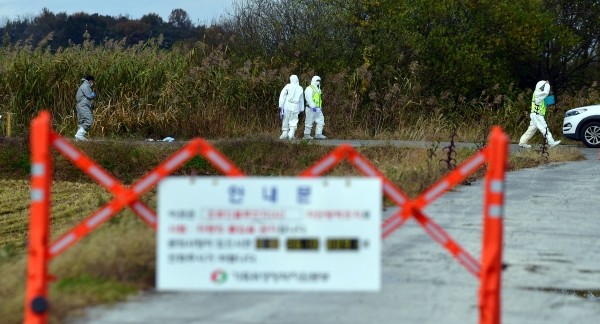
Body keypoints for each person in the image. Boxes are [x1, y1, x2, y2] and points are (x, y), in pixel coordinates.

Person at [519, 80, 561, 148]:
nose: (543, 88)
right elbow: (546, 93)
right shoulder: (538, 93)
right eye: (543, 86)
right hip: (537, 115)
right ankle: (551, 143)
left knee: (531, 129)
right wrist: (547, 84)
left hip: (535, 114)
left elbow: (542, 101)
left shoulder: (537, 93)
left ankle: (522, 142)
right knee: (544, 128)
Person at [278, 75, 305, 140]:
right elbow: (301, 99)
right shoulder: (300, 88)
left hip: (287, 104)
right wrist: (301, 108)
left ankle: (285, 133)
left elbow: (282, 95)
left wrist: (281, 106)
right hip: (296, 105)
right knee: (294, 119)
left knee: (286, 118)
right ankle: (291, 133)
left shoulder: (288, 86)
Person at [74, 75, 96, 141]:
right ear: (90, 80)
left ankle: (78, 138)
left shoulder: (84, 85)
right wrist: (93, 95)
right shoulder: (85, 86)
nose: (92, 83)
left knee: (81, 121)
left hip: (81, 105)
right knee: (89, 120)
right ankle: (80, 135)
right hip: (84, 105)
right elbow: (89, 96)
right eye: (92, 81)